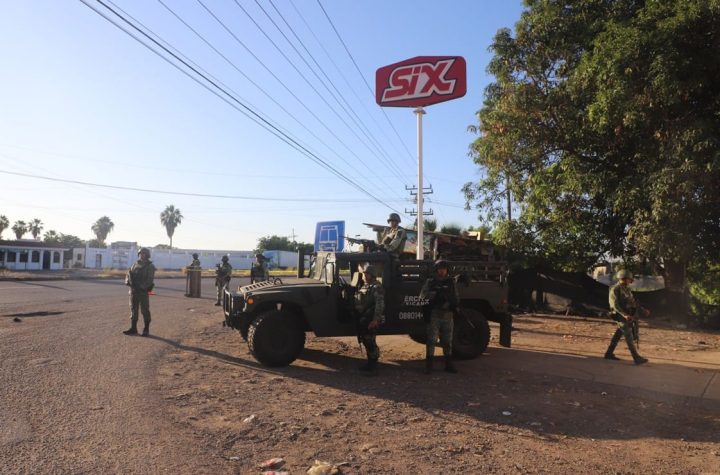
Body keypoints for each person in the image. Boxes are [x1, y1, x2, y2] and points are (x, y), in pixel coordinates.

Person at [420, 260, 459, 374]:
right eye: (440, 269)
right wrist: (434, 295)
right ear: (436, 270)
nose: (442, 271)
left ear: (447, 270)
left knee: (447, 341)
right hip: (434, 315)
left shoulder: (451, 282)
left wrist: (450, 303)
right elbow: (422, 296)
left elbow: (456, 298)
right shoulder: (431, 282)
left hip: (447, 315)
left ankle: (448, 364)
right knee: (431, 340)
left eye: (444, 269)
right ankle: (429, 366)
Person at [605, 269, 649, 365]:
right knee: (628, 335)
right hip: (620, 316)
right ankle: (636, 357)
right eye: (629, 279)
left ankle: (608, 353)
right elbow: (614, 305)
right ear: (624, 278)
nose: (631, 281)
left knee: (618, 334)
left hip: (628, 315)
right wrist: (624, 315)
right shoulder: (615, 289)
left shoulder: (627, 289)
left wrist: (642, 309)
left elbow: (633, 302)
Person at [353, 264, 384, 375]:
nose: (365, 276)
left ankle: (374, 366)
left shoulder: (376, 287)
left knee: (370, 341)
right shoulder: (366, 285)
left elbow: (379, 304)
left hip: (371, 318)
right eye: (365, 274)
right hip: (365, 317)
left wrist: (375, 320)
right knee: (366, 340)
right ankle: (370, 364)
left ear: (372, 275)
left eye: (367, 274)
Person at [123, 247, 156, 336]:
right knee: (133, 309)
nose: (142, 255)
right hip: (133, 291)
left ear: (147, 255)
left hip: (142, 292)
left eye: (144, 253)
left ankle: (146, 329)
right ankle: (133, 328)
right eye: (140, 253)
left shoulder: (150, 266)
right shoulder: (135, 264)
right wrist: (127, 282)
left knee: (145, 310)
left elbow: (149, 280)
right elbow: (128, 274)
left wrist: (141, 287)